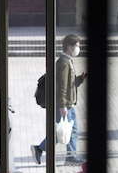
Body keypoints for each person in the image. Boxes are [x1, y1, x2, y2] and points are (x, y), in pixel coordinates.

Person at [30, 34, 86, 165]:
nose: (78, 49)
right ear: (69, 46)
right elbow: (61, 86)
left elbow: (69, 84)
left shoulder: (67, 61)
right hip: (64, 105)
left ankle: (67, 156)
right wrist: (62, 105)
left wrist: (80, 79)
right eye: (77, 46)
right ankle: (41, 149)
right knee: (64, 131)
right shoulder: (63, 63)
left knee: (67, 131)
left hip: (67, 104)